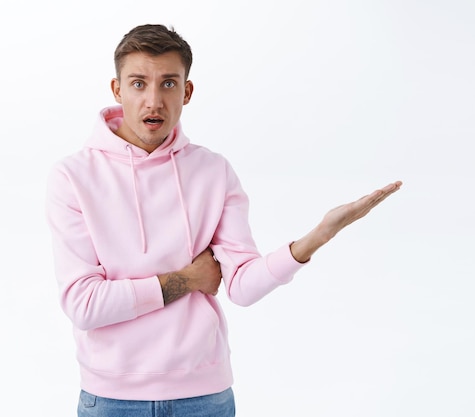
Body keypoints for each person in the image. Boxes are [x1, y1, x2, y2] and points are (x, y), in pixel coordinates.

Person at [45, 23, 402, 417]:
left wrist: (315, 238)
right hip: (111, 399)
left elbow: (243, 285)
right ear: (117, 90)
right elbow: (83, 304)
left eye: (168, 84)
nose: (153, 101)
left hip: (204, 396)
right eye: (138, 83)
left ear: (187, 91)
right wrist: (188, 280)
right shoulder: (73, 177)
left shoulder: (212, 171)